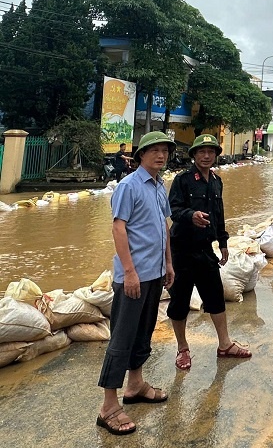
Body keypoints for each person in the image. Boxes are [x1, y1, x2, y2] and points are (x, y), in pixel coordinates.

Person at [96, 131, 176, 436]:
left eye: (164, 151)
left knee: (144, 333)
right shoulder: (129, 186)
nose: (160, 155)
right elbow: (119, 229)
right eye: (154, 151)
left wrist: (168, 263)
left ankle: (136, 384)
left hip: (154, 274)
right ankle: (108, 407)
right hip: (134, 277)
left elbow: (164, 228)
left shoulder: (159, 187)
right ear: (140, 155)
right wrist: (129, 272)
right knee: (121, 338)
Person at [167, 134, 252, 372]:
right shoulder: (182, 180)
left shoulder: (216, 181)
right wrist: (190, 215)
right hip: (181, 250)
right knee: (180, 301)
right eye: (201, 152)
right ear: (193, 155)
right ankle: (183, 348)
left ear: (216, 155)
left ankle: (225, 344)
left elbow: (219, 214)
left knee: (215, 296)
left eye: (211, 152)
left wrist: (223, 242)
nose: (206, 156)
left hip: (205, 249)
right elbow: (173, 209)